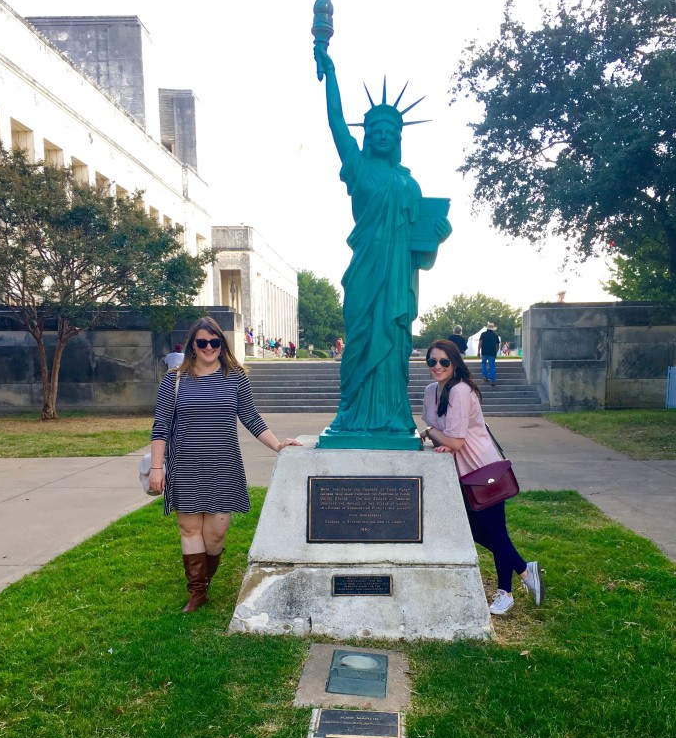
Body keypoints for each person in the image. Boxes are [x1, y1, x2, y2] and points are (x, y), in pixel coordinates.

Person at [315, 44, 451, 437]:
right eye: (375, 130)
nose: (382, 136)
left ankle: (392, 416)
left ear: (399, 137)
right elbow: (336, 122)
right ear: (367, 136)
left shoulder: (410, 183)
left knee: (393, 345)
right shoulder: (356, 167)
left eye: (390, 131)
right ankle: (351, 413)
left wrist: (437, 237)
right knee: (357, 340)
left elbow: (420, 250)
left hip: (398, 276)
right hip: (366, 268)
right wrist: (331, 71)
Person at [149, 316, 301, 613]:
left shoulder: (235, 377)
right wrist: (157, 468)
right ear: (192, 345)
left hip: (223, 464)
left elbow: (251, 417)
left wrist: (277, 445)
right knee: (189, 528)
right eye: (202, 342)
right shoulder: (175, 379)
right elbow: (160, 426)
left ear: (222, 344)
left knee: (216, 534)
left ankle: (204, 579)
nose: (209, 347)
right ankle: (197, 591)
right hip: (185, 464)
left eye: (214, 342)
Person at [419, 339, 544, 616]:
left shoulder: (461, 391)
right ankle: (525, 569)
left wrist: (431, 434)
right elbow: (442, 433)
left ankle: (505, 592)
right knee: (475, 531)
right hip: (458, 473)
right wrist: (439, 437)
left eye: (443, 362)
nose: (437, 367)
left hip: (481, 470)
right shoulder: (430, 391)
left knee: (497, 533)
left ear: (455, 363)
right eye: (432, 362)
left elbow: (456, 441)